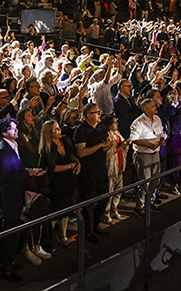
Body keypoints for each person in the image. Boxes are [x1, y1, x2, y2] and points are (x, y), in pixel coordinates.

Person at [0, 117, 45, 283]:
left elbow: (15, 169)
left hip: (15, 194)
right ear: (3, 132)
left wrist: (29, 171)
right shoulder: (2, 150)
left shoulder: (12, 146)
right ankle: (6, 270)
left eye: (16, 127)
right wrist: (28, 173)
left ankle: (6, 263)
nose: (16, 130)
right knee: (10, 233)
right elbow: (9, 175)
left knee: (13, 232)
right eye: (12, 128)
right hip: (9, 197)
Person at [73, 102, 112, 243]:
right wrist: (100, 145)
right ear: (88, 115)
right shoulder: (81, 129)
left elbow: (105, 145)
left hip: (101, 168)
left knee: (104, 197)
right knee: (89, 202)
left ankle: (96, 225)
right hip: (88, 171)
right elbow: (81, 153)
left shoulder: (101, 127)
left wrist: (106, 146)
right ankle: (88, 231)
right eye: (96, 112)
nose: (99, 114)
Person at [38, 119, 80, 246]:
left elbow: (71, 154)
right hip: (55, 183)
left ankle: (64, 235)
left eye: (58, 127)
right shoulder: (47, 148)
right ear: (49, 133)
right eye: (56, 129)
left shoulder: (65, 140)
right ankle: (50, 239)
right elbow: (53, 168)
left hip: (68, 180)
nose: (59, 130)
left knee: (66, 209)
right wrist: (70, 165)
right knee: (55, 211)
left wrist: (77, 163)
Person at [129, 98, 165, 217]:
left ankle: (150, 201)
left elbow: (160, 133)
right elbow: (133, 139)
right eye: (153, 106)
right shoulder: (138, 122)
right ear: (146, 109)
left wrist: (162, 140)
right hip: (143, 155)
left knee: (156, 179)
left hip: (155, 153)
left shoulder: (157, 119)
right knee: (144, 182)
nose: (156, 107)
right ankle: (141, 206)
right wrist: (149, 144)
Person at [102, 115, 128, 223]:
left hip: (120, 164)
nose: (117, 124)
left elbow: (122, 143)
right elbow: (107, 153)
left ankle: (115, 209)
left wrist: (126, 144)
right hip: (112, 167)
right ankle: (106, 213)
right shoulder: (105, 136)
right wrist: (120, 147)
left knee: (118, 189)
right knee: (110, 190)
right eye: (114, 122)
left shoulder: (117, 133)